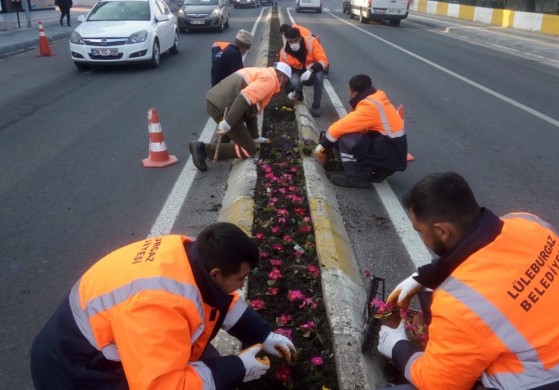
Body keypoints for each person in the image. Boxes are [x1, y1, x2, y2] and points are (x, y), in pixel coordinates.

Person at [377, 172, 559, 390]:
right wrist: (423, 276)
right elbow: (495, 257)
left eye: (420, 231)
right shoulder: (528, 222)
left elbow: (437, 384)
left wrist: (397, 346)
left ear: (442, 231)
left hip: (550, 383)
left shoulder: (460, 304)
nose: (422, 237)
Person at [30, 222, 297, 389]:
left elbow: (221, 302)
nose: (241, 285)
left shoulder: (190, 255)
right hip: (76, 370)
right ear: (216, 273)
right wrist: (238, 368)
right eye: (241, 278)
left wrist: (263, 334)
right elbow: (161, 386)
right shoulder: (158, 308)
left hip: (98, 340)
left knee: (211, 366)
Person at [189, 62, 292, 172]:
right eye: (286, 81)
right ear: (282, 75)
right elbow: (244, 98)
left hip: (216, 100)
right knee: (249, 149)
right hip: (223, 106)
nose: (284, 85)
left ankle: (217, 150)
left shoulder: (263, 73)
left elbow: (251, 110)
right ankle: (203, 149)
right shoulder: (270, 80)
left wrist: (255, 137)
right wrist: (228, 122)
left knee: (235, 131)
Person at [312, 74, 407, 189]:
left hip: (389, 151)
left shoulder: (369, 106)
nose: (348, 92)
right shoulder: (377, 95)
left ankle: (355, 178)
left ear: (355, 94)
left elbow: (340, 127)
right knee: (357, 133)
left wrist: (323, 146)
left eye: (349, 90)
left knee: (347, 139)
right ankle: (378, 170)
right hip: (394, 150)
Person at [279, 27, 328, 117]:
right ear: (287, 40)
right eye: (291, 41)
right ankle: (299, 98)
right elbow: (284, 74)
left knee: (319, 76)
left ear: (300, 37)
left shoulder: (312, 42)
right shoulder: (283, 52)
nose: (294, 44)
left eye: (296, 40)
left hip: (312, 72)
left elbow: (323, 61)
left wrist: (311, 70)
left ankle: (316, 106)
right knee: (294, 81)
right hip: (297, 73)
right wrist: (289, 91)